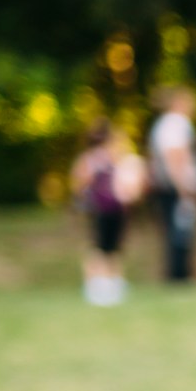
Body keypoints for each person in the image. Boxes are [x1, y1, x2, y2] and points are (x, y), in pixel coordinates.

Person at [70, 121, 145, 305]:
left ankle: (113, 282)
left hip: (116, 209)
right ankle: (95, 284)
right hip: (99, 210)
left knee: (114, 247)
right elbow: (80, 183)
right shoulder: (90, 159)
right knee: (99, 247)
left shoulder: (115, 158)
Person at [146, 86, 196, 282]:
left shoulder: (164, 124)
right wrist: (183, 188)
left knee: (174, 231)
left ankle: (178, 274)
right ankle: (179, 275)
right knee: (180, 233)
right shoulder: (177, 123)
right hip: (175, 187)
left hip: (168, 186)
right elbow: (175, 157)